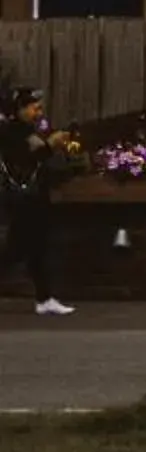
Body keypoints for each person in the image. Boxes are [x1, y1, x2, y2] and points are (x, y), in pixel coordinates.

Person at [0, 89, 72, 315]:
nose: (38, 112)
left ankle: (45, 298)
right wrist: (50, 146)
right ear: (20, 108)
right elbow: (24, 158)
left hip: (35, 197)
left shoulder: (30, 130)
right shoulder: (10, 131)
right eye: (34, 107)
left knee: (36, 249)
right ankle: (45, 298)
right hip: (22, 198)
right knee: (17, 249)